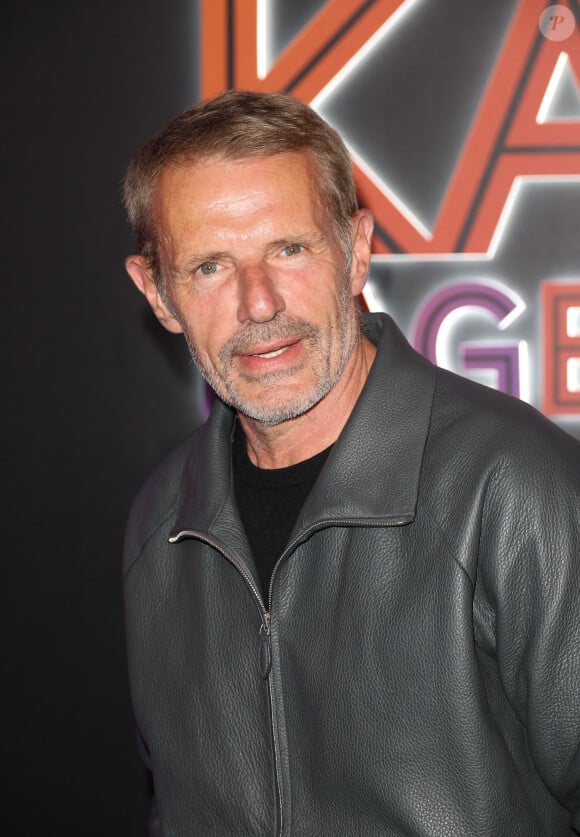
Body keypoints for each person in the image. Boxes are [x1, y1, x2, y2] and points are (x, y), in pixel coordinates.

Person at [122, 90, 580, 836]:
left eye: (290, 248)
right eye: (210, 266)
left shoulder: (519, 488)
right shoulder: (159, 522)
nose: (259, 303)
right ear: (159, 292)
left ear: (357, 249)